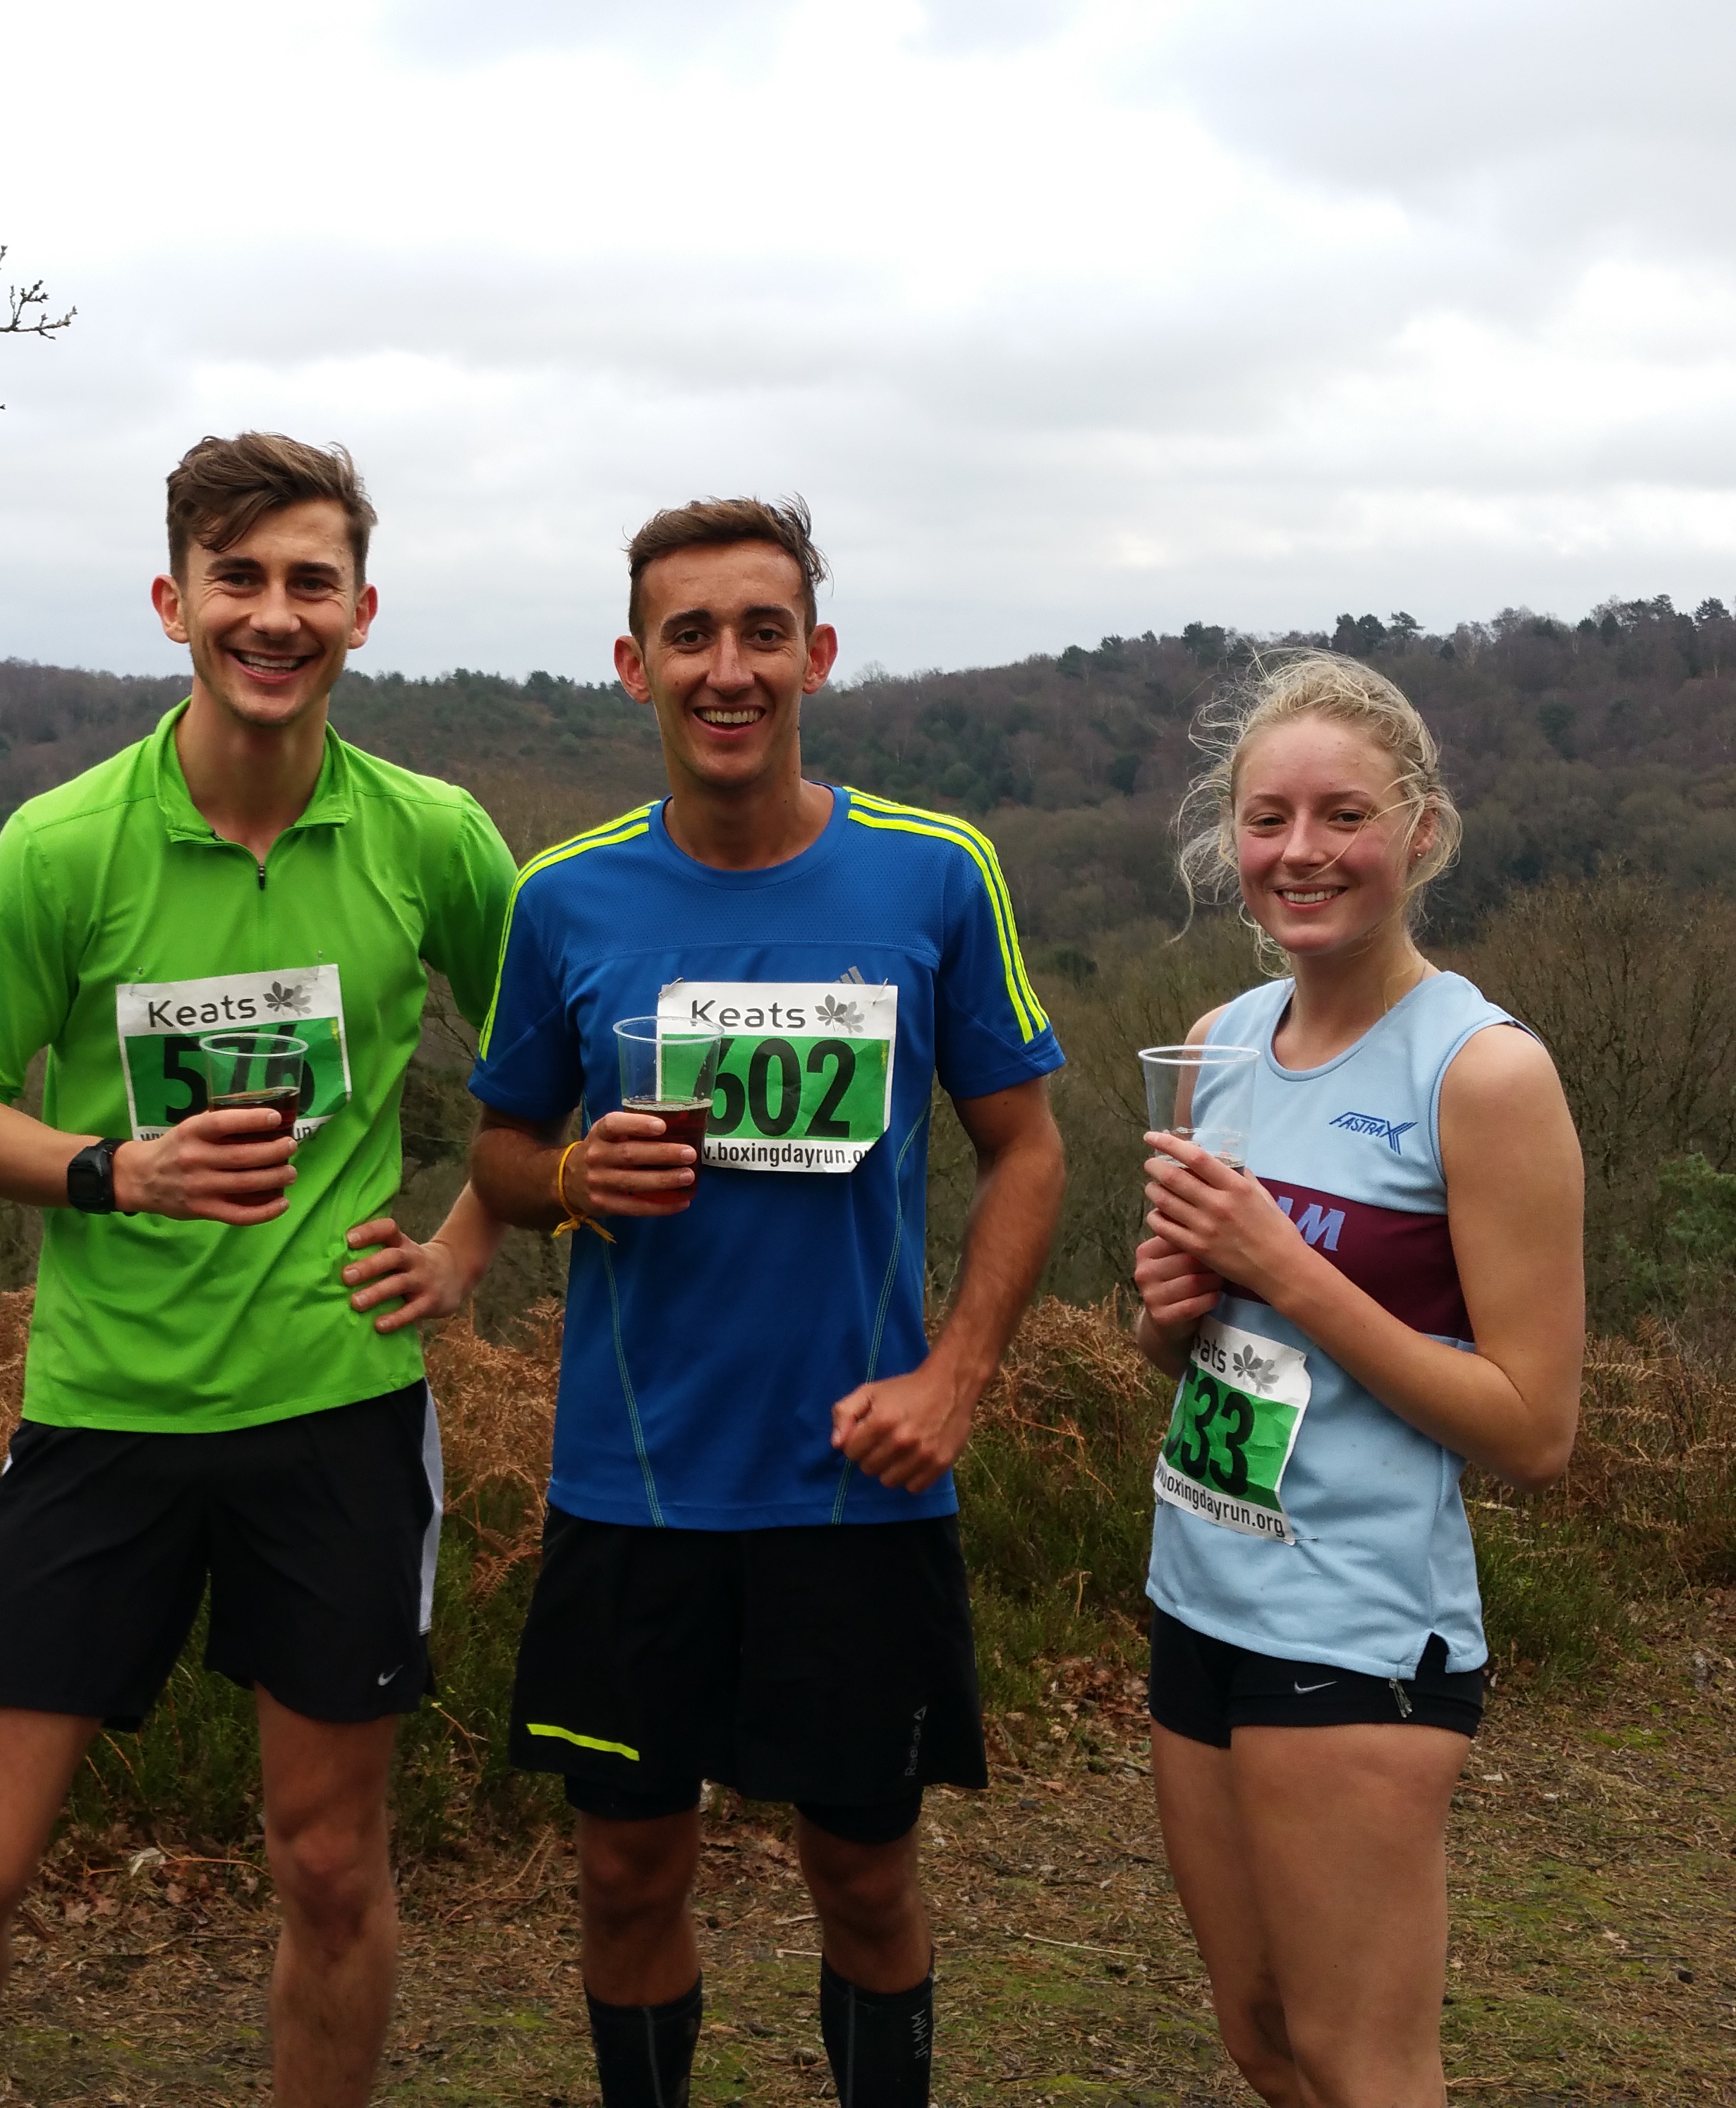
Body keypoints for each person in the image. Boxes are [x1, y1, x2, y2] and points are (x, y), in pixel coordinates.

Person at [0, 432, 519, 2108]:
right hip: (106, 1415)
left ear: (362, 610)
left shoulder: (432, 835)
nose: (275, 614)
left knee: (327, 1870)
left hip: (340, 1411)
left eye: (311, 581)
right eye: (239, 579)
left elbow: (547, 1069)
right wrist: (114, 1168)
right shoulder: (66, 844)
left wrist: (463, 1247)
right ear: (175, 604)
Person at [464, 499, 1068, 2108]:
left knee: (865, 1881)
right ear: (631, 664)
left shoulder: (938, 874)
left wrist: (958, 1377)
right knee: (624, 1882)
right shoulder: (563, 898)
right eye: (690, 635)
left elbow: (1028, 1150)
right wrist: (572, 1181)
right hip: (635, 1488)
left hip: (857, 1485)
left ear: (817, 654)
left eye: (760, 631)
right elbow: (504, 1152)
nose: (727, 668)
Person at [1129, 651, 1582, 2107]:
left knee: (1360, 2060)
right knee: (1262, 2037)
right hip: (1197, 1588)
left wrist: (1288, 1264)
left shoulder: (1484, 1074)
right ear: (1231, 842)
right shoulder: (1215, 1044)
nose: (1302, 852)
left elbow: (1533, 1426)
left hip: (1360, 1625)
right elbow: (1203, 1347)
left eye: (1344, 815)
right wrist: (1169, 1310)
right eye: (1268, 820)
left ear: (1423, 832)